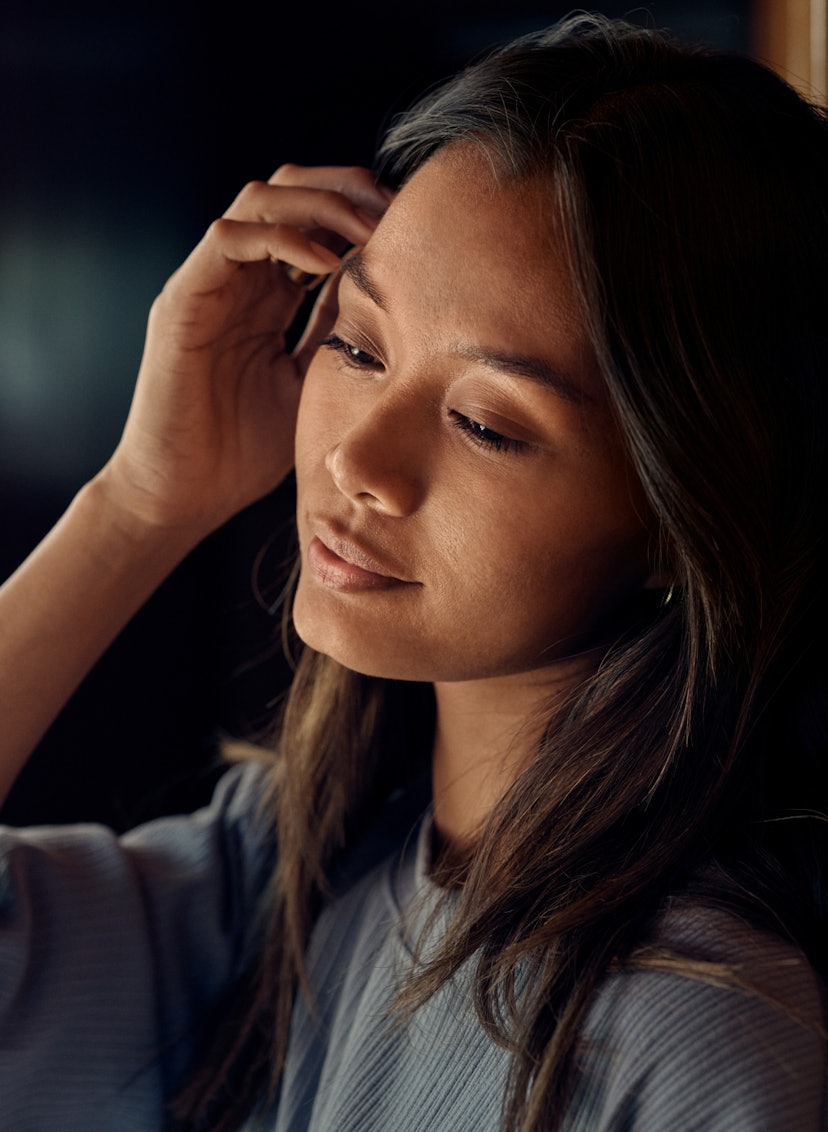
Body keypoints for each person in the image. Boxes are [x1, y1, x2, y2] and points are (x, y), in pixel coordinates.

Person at [0, 12, 826, 1131]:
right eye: (356, 345)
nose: (359, 461)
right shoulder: (290, 881)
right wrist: (138, 501)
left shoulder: (690, 1041)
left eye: (486, 423)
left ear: (684, 519)